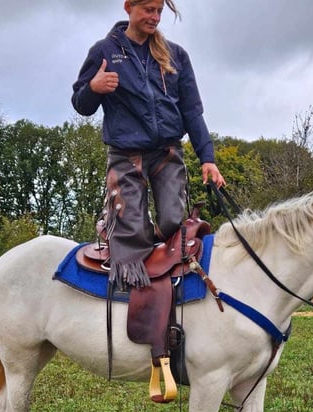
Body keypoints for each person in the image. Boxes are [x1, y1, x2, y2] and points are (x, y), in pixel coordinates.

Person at [72, 0, 226, 290]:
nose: (155, 17)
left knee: (172, 222)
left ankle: (156, 258)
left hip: (167, 153)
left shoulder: (175, 55)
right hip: (126, 156)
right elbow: (81, 104)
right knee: (132, 231)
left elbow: (192, 112)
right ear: (129, 7)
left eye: (159, 11)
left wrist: (208, 158)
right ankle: (122, 239)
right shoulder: (104, 51)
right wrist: (93, 88)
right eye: (148, 10)